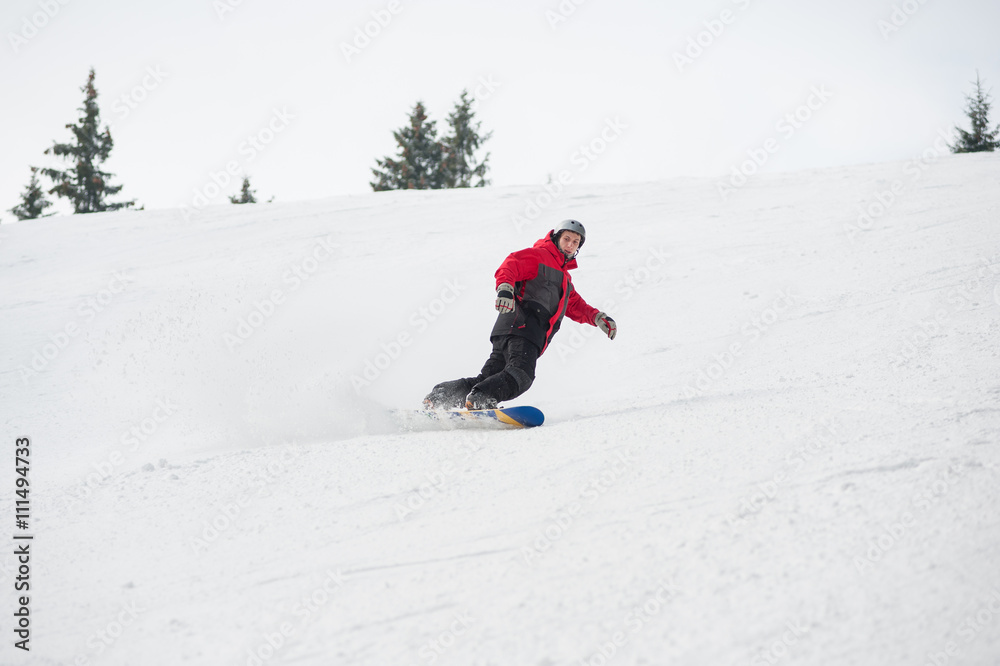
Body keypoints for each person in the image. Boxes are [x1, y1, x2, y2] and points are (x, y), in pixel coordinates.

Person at [423, 219, 617, 410]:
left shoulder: (563, 278)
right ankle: (481, 398)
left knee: (487, 378)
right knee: (521, 374)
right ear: (557, 238)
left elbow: (574, 304)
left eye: (575, 243)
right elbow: (511, 264)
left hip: (510, 329)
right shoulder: (540, 256)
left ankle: (440, 398)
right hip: (525, 326)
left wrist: (597, 317)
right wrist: (505, 288)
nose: (570, 245)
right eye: (567, 239)